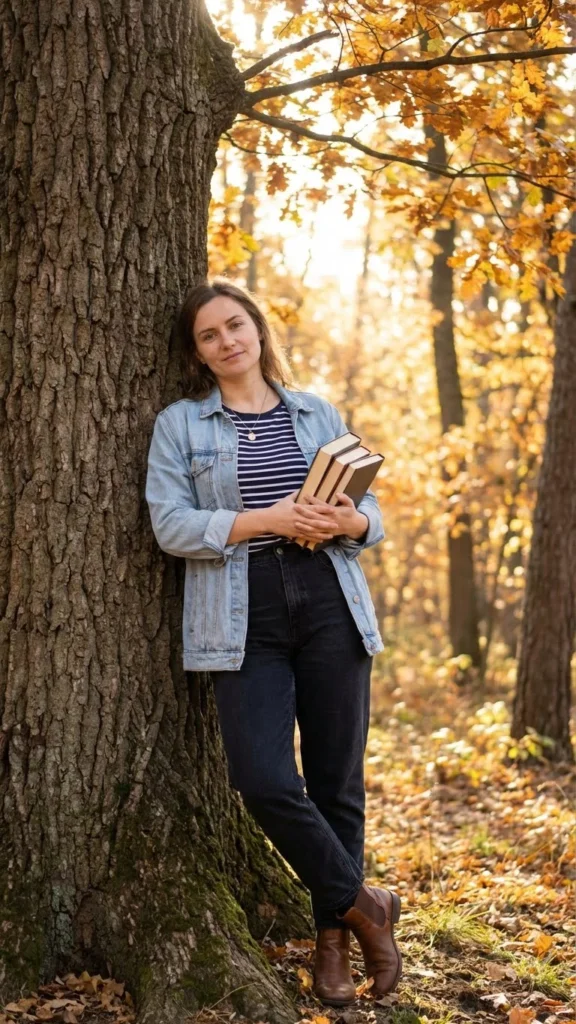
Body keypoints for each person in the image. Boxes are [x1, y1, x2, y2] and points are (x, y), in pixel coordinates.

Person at [145, 278, 402, 1006]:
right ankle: (366, 903)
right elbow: (170, 524)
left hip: (328, 599)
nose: (228, 341)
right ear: (197, 353)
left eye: (236, 325)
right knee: (261, 778)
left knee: (336, 781)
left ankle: (335, 948)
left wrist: (346, 523)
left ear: (257, 329)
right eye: (209, 335)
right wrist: (273, 518)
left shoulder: (316, 411)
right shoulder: (181, 426)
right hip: (241, 606)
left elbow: (369, 507)